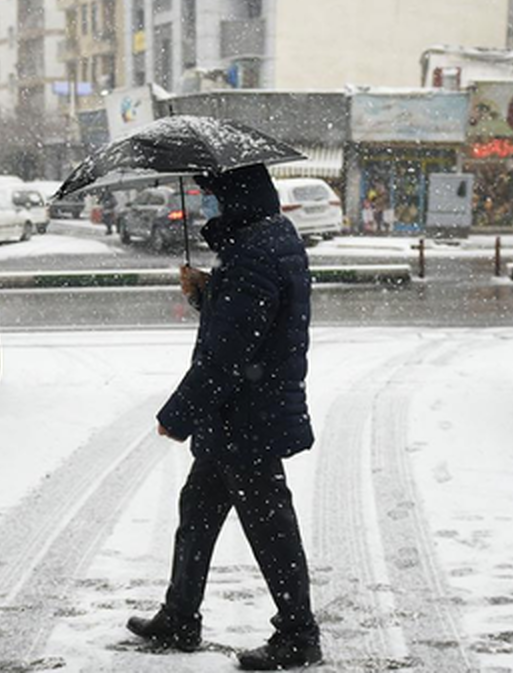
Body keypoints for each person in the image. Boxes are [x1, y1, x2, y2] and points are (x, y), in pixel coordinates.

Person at [126, 164, 321, 671]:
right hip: (240, 413)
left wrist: (179, 414)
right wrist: (207, 293)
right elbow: (251, 319)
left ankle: (298, 634)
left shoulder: (252, 254)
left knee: (269, 527)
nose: (205, 205)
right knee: (197, 511)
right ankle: (180, 616)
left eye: (210, 196)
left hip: (246, 417)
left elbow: (226, 354)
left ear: (235, 199)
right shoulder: (267, 241)